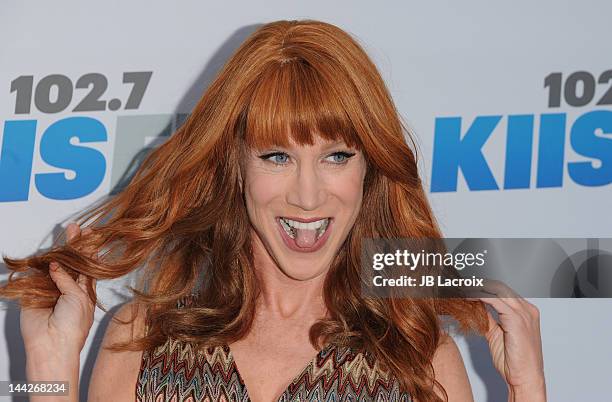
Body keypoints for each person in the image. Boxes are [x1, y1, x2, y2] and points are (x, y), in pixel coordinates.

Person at [0, 19, 545, 402]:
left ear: (368, 171)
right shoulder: (142, 337)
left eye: (336, 155)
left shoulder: (420, 363)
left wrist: (526, 392)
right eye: (277, 155)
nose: (308, 196)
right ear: (235, 165)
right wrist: (49, 373)